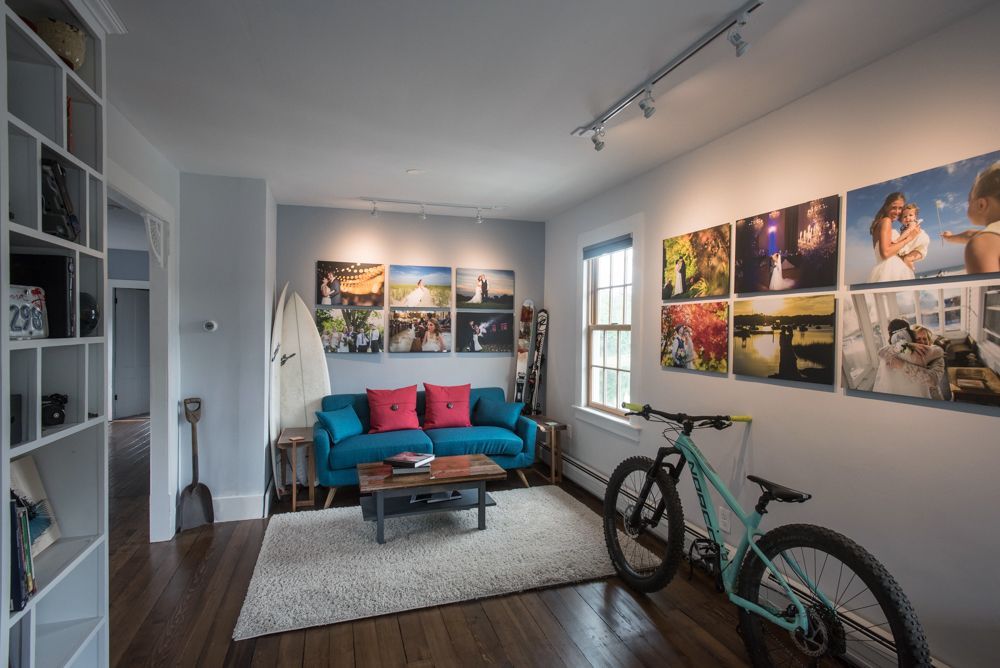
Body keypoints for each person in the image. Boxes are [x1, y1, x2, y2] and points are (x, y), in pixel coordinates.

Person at [942, 160, 1000, 275]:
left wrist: (977, 242)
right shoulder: (992, 236)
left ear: (981, 205)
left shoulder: (981, 243)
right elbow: (970, 235)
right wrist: (950, 237)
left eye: (969, 201)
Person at [874, 320, 945, 399]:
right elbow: (881, 352)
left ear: (929, 341)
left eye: (925, 339)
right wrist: (908, 345)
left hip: (933, 399)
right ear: (912, 340)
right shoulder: (906, 352)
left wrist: (901, 365)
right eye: (918, 339)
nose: (922, 341)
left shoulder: (936, 355)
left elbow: (933, 380)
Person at [868, 192, 920, 283]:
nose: (897, 212)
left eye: (900, 208)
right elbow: (885, 253)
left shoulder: (878, 224)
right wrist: (909, 238)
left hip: (883, 269)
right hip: (891, 269)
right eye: (893, 207)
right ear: (886, 207)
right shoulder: (886, 221)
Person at [897, 203, 930, 273]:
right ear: (901, 220)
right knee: (903, 260)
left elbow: (908, 232)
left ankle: (912, 273)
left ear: (915, 217)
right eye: (905, 216)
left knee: (907, 259)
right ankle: (909, 272)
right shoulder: (903, 229)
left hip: (920, 249)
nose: (907, 218)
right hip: (912, 248)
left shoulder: (913, 224)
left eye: (910, 215)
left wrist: (897, 240)